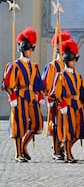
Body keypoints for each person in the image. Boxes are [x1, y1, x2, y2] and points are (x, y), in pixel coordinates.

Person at [2, 27, 45, 162]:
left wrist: (41, 95)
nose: (31, 51)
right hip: (20, 95)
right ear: (23, 50)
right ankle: (18, 153)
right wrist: (12, 97)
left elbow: (38, 83)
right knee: (19, 124)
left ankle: (23, 147)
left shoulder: (34, 66)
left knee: (37, 124)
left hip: (32, 96)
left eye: (32, 49)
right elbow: (7, 84)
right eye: (29, 49)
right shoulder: (14, 66)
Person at [50, 38, 84, 163]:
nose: (75, 62)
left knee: (82, 129)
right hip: (67, 106)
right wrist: (62, 105)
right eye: (73, 60)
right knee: (68, 131)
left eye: (75, 60)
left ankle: (63, 148)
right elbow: (55, 93)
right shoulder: (60, 75)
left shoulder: (78, 76)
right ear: (67, 61)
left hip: (77, 105)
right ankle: (68, 154)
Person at [41, 30, 72, 161]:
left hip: (66, 100)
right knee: (55, 124)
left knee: (67, 124)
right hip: (55, 100)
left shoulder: (67, 64)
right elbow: (45, 83)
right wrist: (49, 98)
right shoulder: (52, 65)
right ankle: (56, 149)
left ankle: (62, 146)